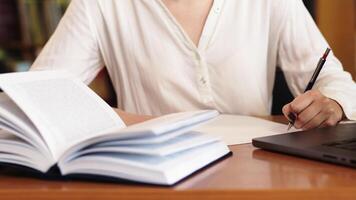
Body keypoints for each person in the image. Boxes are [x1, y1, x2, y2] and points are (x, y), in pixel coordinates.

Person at [31, 0, 356, 129]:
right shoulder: (100, 4)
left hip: (254, 170)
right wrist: (137, 121)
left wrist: (334, 104)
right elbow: (35, 99)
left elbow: (332, 77)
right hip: (150, 170)